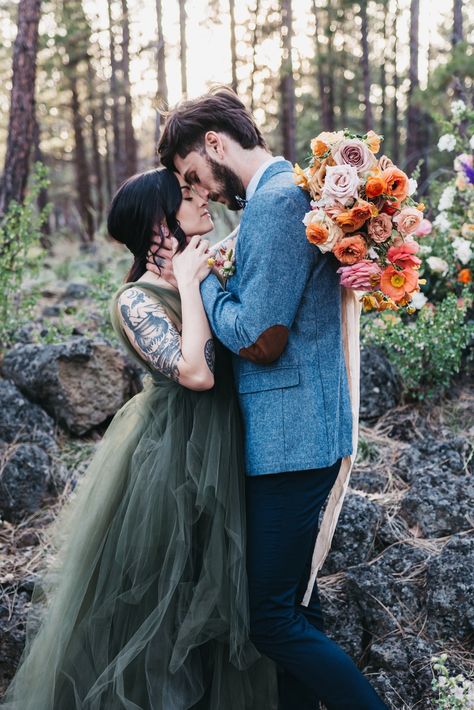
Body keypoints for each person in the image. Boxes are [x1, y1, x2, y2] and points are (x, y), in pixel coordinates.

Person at [0, 168, 276, 710]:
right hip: (172, 461)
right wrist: (193, 284)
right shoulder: (136, 299)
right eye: (187, 193)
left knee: (227, 595)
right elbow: (196, 373)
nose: (201, 197)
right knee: (169, 599)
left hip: (231, 443)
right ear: (158, 219)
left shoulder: (207, 264)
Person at [153, 88, 388, 710]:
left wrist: (201, 287)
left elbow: (262, 340)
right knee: (294, 609)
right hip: (291, 434)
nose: (198, 191)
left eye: (191, 175)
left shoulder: (278, 202)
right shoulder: (277, 201)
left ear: (214, 144)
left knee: (272, 621)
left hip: (293, 438)